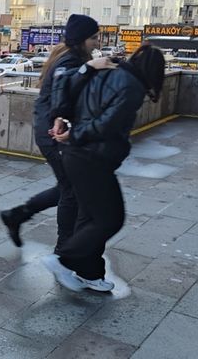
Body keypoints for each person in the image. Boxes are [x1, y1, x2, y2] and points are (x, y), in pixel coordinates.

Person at [42, 45, 166, 292]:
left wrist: (61, 118)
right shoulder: (132, 87)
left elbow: (65, 87)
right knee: (110, 219)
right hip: (92, 158)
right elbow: (107, 123)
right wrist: (74, 134)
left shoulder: (106, 72)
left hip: (77, 156)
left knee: (89, 217)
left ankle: (90, 273)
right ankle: (62, 260)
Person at [0, 14, 113, 249]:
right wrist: (90, 68)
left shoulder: (69, 57)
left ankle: (17, 215)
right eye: (94, 38)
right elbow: (66, 89)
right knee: (71, 190)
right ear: (81, 39)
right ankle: (63, 248)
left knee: (68, 187)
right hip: (52, 133)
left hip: (51, 129)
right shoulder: (70, 62)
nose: (97, 43)